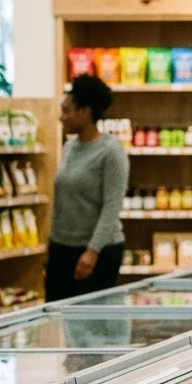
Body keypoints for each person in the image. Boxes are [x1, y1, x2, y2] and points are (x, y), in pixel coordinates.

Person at [49, 74, 129, 300]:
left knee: (88, 329)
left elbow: (112, 207)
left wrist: (92, 252)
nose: (61, 117)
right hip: (62, 247)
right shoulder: (70, 147)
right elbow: (61, 199)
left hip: (97, 252)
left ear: (84, 112)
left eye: (66, 111)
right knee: (55, 320)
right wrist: (53, 244)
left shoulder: (111, 151)